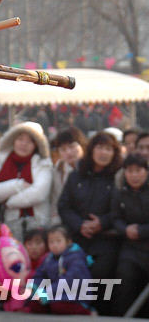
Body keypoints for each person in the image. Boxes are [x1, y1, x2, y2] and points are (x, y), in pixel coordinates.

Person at [58, 131, 121, 315]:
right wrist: (79, 225)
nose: (103, 153)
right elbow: (64, 206)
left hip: (107, 239)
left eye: (108, 149)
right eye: (100, 147)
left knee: (101, 277)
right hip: (78, 238)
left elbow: (122, 209)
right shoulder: (76, 176)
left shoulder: (118, 177)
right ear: (91, 150)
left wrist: (103, 222)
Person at [0, 121, 53, 241]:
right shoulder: (3, 160)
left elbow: (39, 193)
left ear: (36, 144)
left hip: (38, 222)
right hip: (11, 222)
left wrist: (10, 202)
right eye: (20, 139)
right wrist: (19, 185)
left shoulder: (42, 163)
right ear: (13, 140)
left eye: (29, 141)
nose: (24, 144)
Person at [111, 154, 149, 317]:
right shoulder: (120, 193)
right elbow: (115, 217)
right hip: (130, 248)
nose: (134, 175)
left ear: (146, 172)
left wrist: (140, 231)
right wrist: (125, 229)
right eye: (130, 171)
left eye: (138, 171)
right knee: (124, 277)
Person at [30, 225, 92, 315]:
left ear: (68, 242)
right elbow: (40, 274)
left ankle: (87, 312)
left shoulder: (76, 258)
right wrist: (34, 287)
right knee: (34, 304)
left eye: (58, 241)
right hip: (54, 293)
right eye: (51, 242)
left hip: (75, 296)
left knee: (59, 306)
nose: (55, 245)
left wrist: (47, 292)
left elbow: (69, 280)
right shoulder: (48, 258)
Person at [50, 127, 86, 225]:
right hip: (65, 224)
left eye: (72, 146)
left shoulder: (93, 168)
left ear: (82, 145)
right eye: (63, 149)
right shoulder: (58, 171)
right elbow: (55, 201)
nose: (68, 152)